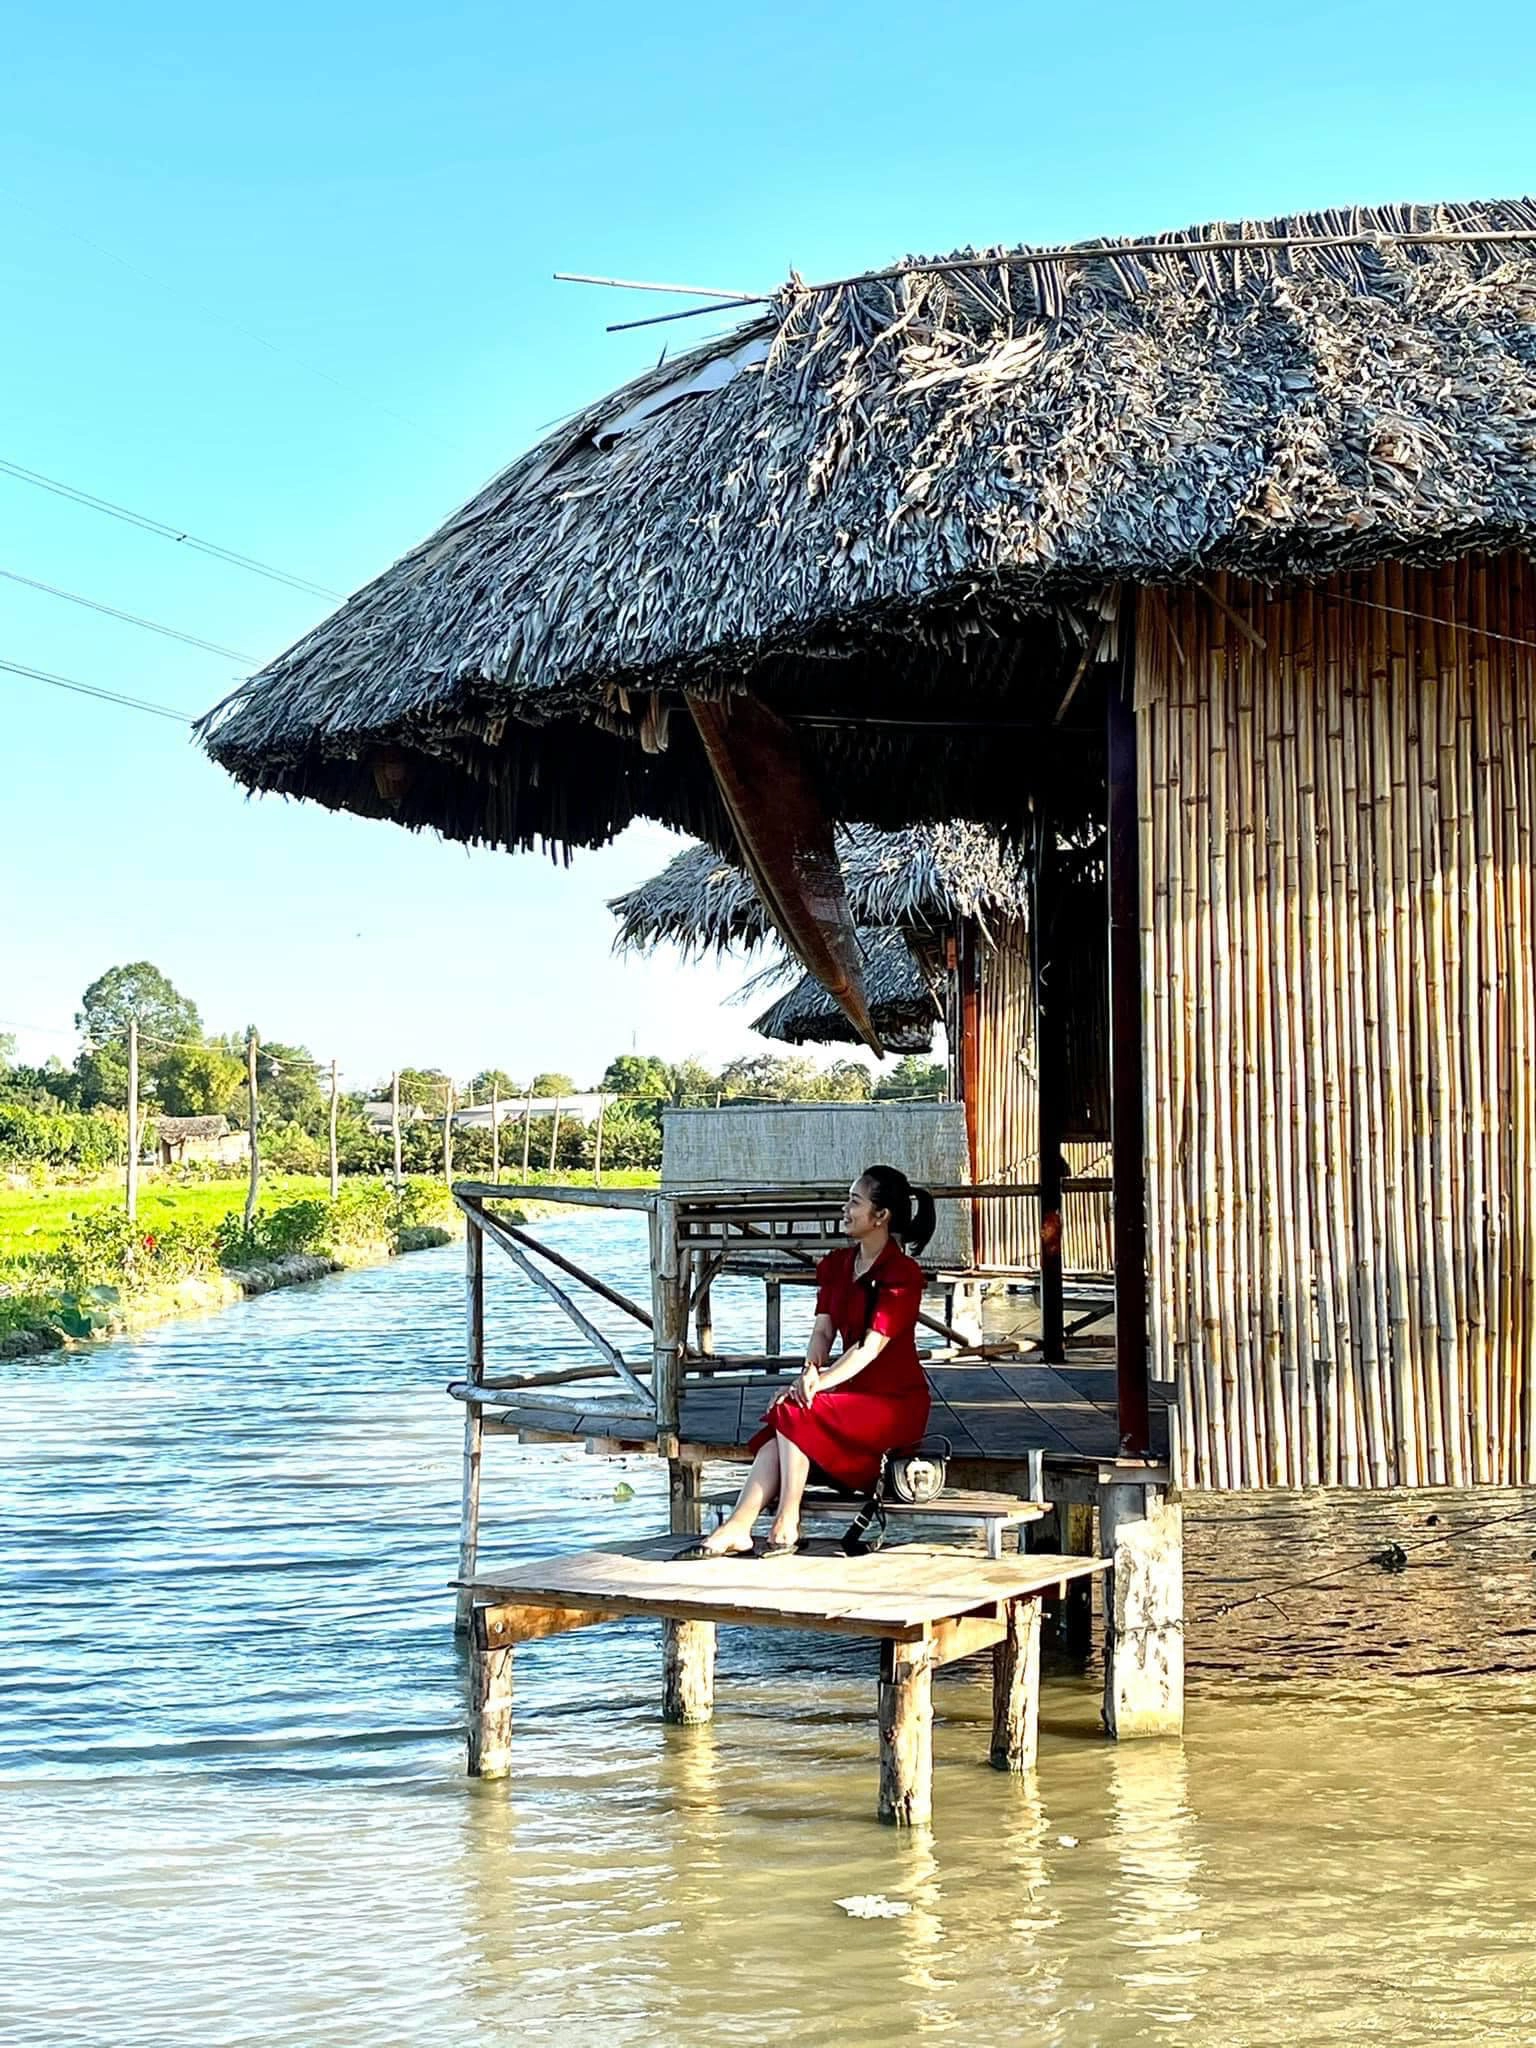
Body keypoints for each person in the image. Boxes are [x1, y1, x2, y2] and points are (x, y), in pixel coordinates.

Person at [680, 1164, 936, 1560]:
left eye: (855, 1201)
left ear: (881, 1216)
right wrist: (809, 1373)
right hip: (849, 1395)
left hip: (893, 1404)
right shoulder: (836, 1265)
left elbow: (870, 1346)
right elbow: (822, 1334)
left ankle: (787, 1522)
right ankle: (739, 1526)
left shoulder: (903, 1274)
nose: (844, 1209)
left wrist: (821, 1382)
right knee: (790, 1410)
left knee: (797, 1412)